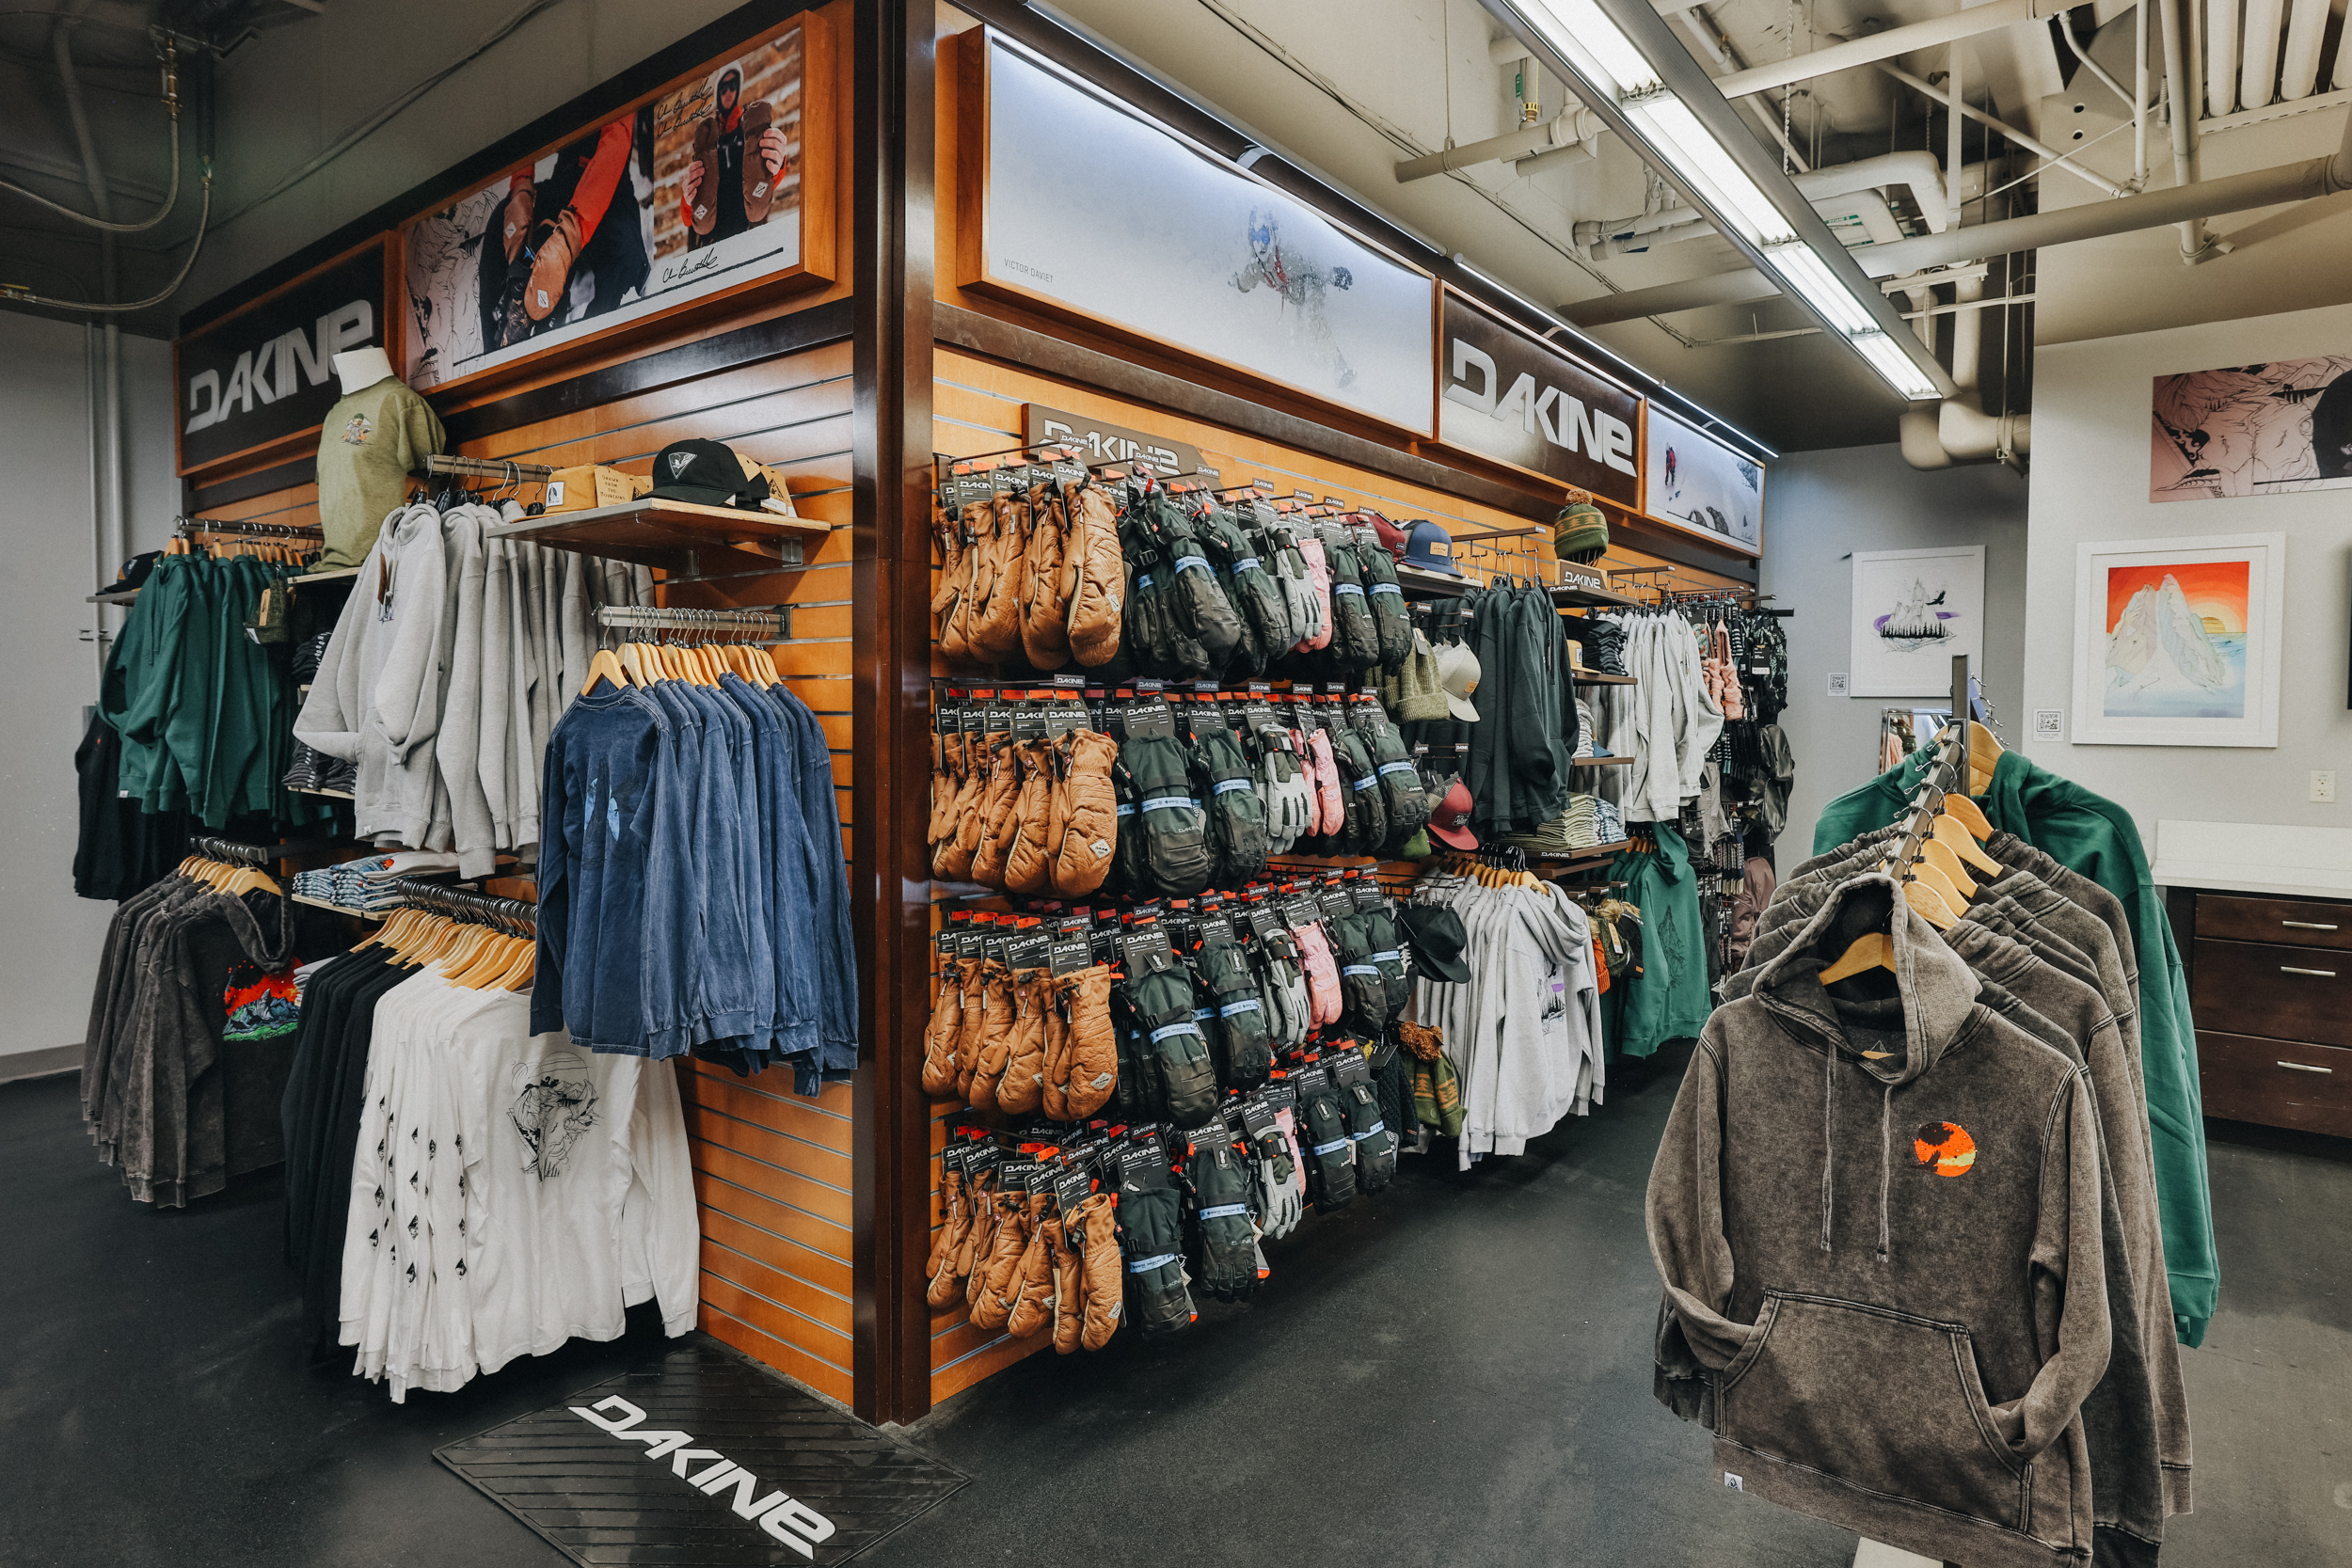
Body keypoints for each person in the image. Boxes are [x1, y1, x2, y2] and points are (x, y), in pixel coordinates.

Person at [477, 111, 653, 352]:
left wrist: (569, 236)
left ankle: (592, 357)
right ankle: (497, 351)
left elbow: (616, 138)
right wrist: (521, 187)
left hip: (611, 184)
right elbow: (524, 116)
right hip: (564, 179)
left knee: (628, 262)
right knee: (501, 220)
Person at [682, 66, 789, 249]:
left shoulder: (747, 133)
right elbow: (688, 216)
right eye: (723, 87)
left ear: (738, 89)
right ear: (718, 94)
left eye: (733, 85)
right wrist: (688, 198)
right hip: (712, 241)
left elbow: (765, 179)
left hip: (748, 231)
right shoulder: (707, 142)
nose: (729, 92)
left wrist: (776, 163)